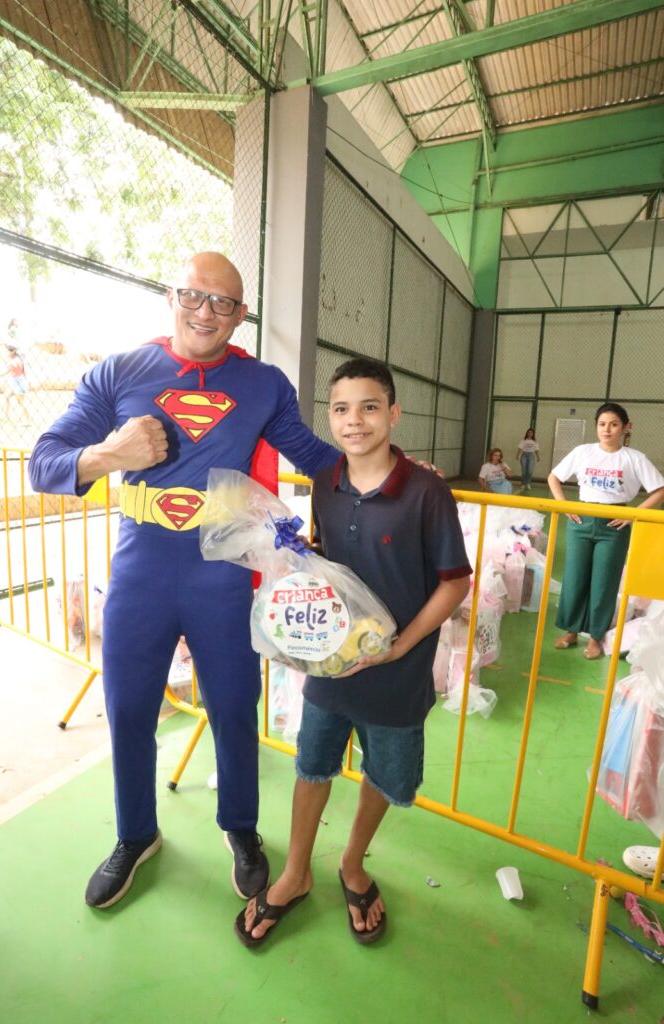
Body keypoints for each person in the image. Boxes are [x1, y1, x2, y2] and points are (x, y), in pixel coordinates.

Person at [28, 252, 340, 910]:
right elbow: (43, 462)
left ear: (241, 314)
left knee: (234, 705)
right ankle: (135, 834)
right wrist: (110, 454)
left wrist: (395, 471)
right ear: (172, 296)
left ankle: (241, 828)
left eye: (223, 302)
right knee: (128, 708)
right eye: (194, 295)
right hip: (140, 569)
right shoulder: (119, 372)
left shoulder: (264, 384)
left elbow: (317, 457)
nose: (206, 312)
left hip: (220, 573)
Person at [235, 357, 471, 947]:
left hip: (397, 673)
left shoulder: (427, 491)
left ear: (394, 413)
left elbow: (454, 583)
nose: (354, 420)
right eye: (341, 409)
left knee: (383, 774)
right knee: (312, 764)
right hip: (332, 668)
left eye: (369, 407)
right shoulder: (326, 484)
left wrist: (400, 647)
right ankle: (295, 873)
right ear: (331, 418)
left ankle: (351, 864)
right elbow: (329, 566)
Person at [548, 402, 664, 660]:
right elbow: (553, 477)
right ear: (596, 426)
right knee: (575, 577)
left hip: (614, 525)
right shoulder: (583, 452)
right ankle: (571, 631)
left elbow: (660, 490)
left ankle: (596, 637)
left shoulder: (634, 458)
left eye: (613, 424)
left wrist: (633, 514)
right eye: (602, 424)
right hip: (581, 521)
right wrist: (563, 505)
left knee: (604, 582)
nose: (607, 429)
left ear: (625, 427)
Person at [0, 342, 31, 424]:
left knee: (20, 403)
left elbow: (4, 372)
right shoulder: (18, 359)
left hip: (19, 383)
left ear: (12, 352)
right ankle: (6, 416)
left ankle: (28, 420)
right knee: (6, 396)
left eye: (7, 351)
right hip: (17, 382)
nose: (6, 352)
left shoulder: (13, 362)